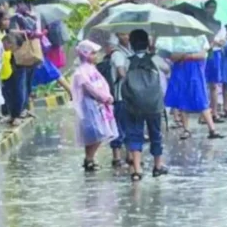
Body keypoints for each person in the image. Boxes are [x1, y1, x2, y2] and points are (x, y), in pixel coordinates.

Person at [124, 30, 168, 181]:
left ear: (131, 44)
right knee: (155, 133)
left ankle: (137, 169)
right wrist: (153, 52)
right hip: (153, 104)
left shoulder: (127, 61)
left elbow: (120, 75)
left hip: (133, 104)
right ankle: (157, 166)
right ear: (147, 43)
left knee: (135, 134)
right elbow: (167, 70)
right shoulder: (155, 59)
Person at [163, 35, 225, 140]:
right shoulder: (174, 38)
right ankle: (186, 129)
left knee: (200, 97)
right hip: (180, 69)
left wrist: (186, 56)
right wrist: (184, 55)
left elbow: (203, 54)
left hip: (195, 69)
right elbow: (171, 56)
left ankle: (212, 129)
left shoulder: (200, 37)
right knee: (182, 98)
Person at [71, 40, 117, 172]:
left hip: (98, 104)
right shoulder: (81, 72)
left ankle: (89, 158)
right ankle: (89, 158)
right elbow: (89, 87)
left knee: (96, 132)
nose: (96, 56)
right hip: (90, 105)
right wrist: (104, 97)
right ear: (85, 54)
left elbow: (102, 84)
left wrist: (106, 96)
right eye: (93, 53)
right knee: (96, 131)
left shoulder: (92, 69)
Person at [107, 33, 133, 167]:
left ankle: (129, 154)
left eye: (127, 34)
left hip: (129, 95)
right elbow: (121, 72)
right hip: (120, 95)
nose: (126, 37)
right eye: (123, 34)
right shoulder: (117, 54)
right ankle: (116, 156)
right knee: (119, 126)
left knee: (129, 125)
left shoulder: (130, 51)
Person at [203, 0, 227, 120]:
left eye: (214, 7)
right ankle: (204, 113)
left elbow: (223, 41)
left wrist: (216, 42)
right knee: (203, 84)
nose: (211, 9)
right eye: (209, 7)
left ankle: (214, 112)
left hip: (216, 54)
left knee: (214, 84)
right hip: (203, 55)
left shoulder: (219, 23)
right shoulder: (200, 23)